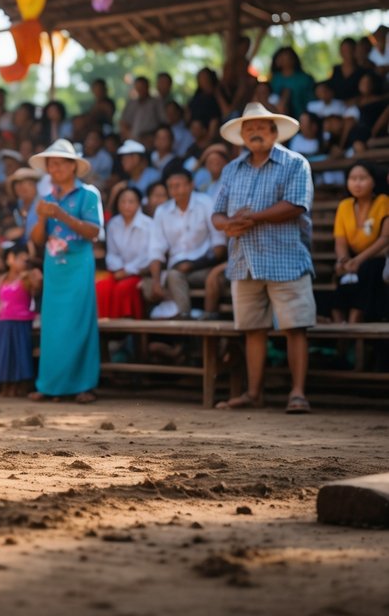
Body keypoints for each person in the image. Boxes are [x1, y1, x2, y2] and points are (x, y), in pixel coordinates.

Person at [212, 103, 316, 414]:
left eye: (261, 127)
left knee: (295, 326)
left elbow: (296, 205)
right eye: (248, 128)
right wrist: (227, 224)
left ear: (274, 132)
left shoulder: (295, 163)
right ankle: (253, 394)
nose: (255, 132)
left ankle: (297, 393)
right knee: (253, 329)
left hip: (285, 257)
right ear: (241, 135)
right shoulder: (232, 169)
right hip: (244, 259)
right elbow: (216, 212)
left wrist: (253, 218)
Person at [28, 139, 103, 404]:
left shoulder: (88, 194)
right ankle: (49, 385)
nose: (54, 168)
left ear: (73, 167)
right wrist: (41, 217)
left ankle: (83, 385)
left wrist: (60, 215)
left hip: (79, 267)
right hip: (54, 269)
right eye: (51, 164)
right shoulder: (45, 199)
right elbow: (37, 239)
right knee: (52, 327)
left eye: (59, 163)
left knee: (80, 323)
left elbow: (94, 232)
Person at [141, 168, 226, 320]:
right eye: (172, 186)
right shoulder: (162, 211)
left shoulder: (205, 203)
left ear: (191, 185)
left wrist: (193, 264)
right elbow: (156, 249)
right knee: (165, 278)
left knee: (178, 275)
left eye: (180, 185)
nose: (176, 190)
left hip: (205, 266)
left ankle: (184, 317)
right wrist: (155, 281)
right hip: (176, 270)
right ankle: (184, 317)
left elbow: (219, 245)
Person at [331, 161, 389, 324]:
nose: (357, 183)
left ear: (373, 181)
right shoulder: (344, 206)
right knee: (342, 276)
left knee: (369, 269)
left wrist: (358, 261)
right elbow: (340, 240)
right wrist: (343, 260)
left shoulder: (383, 201)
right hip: (353, 260)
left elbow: (385, 238)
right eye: (352, 178)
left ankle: (356, 318)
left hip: (377, 258)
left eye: (362, 178)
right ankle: (341, 336)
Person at [0, 242, 40, 397]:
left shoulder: (27, 278)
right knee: (5, 354)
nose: (23, 262)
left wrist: (34, 274)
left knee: (20, 353)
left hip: (21, 321)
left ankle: (19, 385)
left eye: (25, 260)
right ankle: (6, 385)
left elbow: (36, 287)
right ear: (10, 259)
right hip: (4, 322)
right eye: (20, 258)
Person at [97, 186, 152, 320]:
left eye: (131, 201)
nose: (126, 205)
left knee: (124, 288)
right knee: (101, 286)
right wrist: (119, 269)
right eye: (123, 201)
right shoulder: (113, 224)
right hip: (118, 270)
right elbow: (112, 253)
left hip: (140, 271)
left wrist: (127, 271)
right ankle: (103, 327)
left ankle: (122, 330)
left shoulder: (148, 225)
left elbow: (147, 256)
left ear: (138, 204)